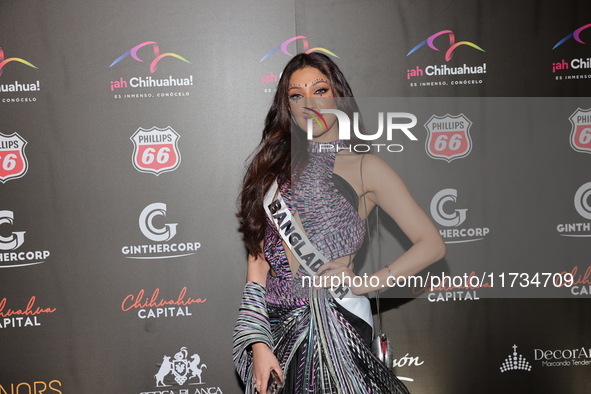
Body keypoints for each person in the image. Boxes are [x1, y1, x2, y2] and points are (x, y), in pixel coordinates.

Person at [233, 52, 445, 393]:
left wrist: (367, 283)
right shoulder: (270, 174)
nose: (309, 103)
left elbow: (431, 244)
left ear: (338, 96)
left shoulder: (366, 167)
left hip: (336, 327)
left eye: (320, 90)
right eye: (296, 95)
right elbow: (257, 268)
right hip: (275, 329)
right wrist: (257, 343)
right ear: (287, 106)